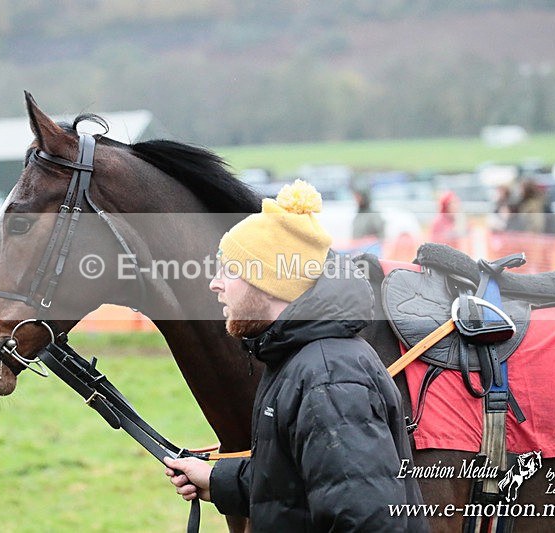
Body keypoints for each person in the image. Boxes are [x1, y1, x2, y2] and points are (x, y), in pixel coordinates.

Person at [163, 180, 427, 531]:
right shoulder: (297, 358)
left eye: (230, 269)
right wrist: (218, 480)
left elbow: (366, 521)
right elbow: (297, 481)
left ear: (269, 280)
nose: (215, 283)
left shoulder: (328, 378)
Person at [351, 189, 385, 256]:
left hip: (371, 251)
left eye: (358, 197)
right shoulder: (358, 215)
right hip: (358, 251)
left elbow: (380, 233)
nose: (356, 200)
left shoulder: (373, 215)